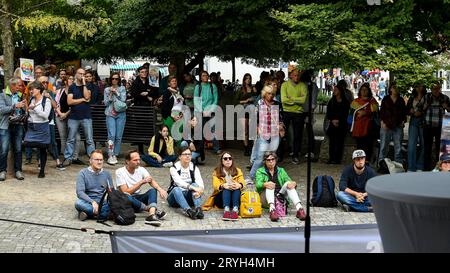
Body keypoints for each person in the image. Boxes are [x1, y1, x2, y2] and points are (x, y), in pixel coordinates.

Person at [115, 150, 168, 226]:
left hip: (138, 200)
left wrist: (160, 189)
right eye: (135, 160)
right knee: (126, 196)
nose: (138, 162)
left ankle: (151, 215)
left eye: (139, 159)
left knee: (153, 190)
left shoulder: (141, 169)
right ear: (127, 161)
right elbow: (125, 191)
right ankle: (150, 209)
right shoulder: (119, 172)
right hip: (126, 202)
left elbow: (151, 180)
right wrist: (141, 182)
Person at [255, 151, 306, 222]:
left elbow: (288, 180)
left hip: (279, 195)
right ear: (265, 161)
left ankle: (300, 209)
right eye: (268, 160)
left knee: (289, 184)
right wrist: (265, 184)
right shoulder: (260, 171)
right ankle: (272, 210)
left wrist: (293, 183)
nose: (271, 161)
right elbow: (258, 185)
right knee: (270, 185)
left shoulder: (281, 170)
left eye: (273, 159)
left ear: (275, 160)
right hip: (266, 197)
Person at [62, 68, 95, 167]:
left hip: (86, 116)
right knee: (70, 139)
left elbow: (87, 97)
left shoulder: (88, 86)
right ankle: (68, 158)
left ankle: (93, 159)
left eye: (83, 74)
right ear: (76, 74)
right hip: (73, 117)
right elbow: (69, 102)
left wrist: (84, 84)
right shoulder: (72, 87)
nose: (82, 75)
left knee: (89, 139)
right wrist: (82, 99)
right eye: (80, 73)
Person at [250, 85, 283, 179]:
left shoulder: (277, 104)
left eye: (272, 93)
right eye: (269, 93)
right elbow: (255, 118)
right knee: (260, 157)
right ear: (264, 93)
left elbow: (281, 117)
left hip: (275, 134)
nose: (271, 95)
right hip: (263, 134)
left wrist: (281, 125)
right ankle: (252, 177)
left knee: (271, 157)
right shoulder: (259, 103)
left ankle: (269, 177)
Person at [202, 152, 245, 221]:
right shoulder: (216, 171)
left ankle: (235, 210)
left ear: (232, 160)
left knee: (236, 188)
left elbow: (242, 181)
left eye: (230, 158)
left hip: (235, 198)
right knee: (226, 188)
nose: (228, 160)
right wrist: (223, 185)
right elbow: (215, 185)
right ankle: (226, 210)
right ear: (222, 161)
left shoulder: (238, 170)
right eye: (225, 159)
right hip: (221, 200)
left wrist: (239, 185)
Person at [0, 77, 27, 181]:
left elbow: (23, 110)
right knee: (4, 149)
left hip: (18, 125)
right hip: (5, 126)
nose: (20, 88)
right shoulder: (2, 95)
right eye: (19, 85)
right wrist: (15, 106)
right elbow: (1, 110)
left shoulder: (20, 95)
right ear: (12, 86)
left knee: (18, 149)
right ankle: (2, 171)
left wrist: (24, 107)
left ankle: (18, 171)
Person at [167, 146, 205, 220]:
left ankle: (198, 209)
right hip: (174, 198)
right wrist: (193, 188)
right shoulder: (173, 168)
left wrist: (200, 190)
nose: (187, 156)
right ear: (180, 157)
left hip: (189, 196)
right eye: (185, 154)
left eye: (189, 154)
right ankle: (188, 211)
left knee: (195, 185)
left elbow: (200, 182)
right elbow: (179, 182)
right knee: (176, 189)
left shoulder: (194, 167)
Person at [75, 150, 112, 221]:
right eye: (97, 160)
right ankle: (104, 215)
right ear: (90, 161)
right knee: (78, 203)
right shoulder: (83, 173)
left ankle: (88, 214)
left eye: (101, 160)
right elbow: (80, 192)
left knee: (113, 205)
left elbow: (111, 191)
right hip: (87, 201)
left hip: (102, 201)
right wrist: (92, 202)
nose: (99, 162)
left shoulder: (106, 174)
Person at [25, 81, 53, 178]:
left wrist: (35, 109)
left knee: (42, 149)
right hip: (31, 126)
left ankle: (42, 171)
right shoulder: (31, 99)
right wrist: (28, 109)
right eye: (30, 89)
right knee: (27, 143)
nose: (31, 91)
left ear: (39, 89)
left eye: (33, 89)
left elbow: (46, 116)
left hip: (42, 127)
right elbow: (29, 112)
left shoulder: (46, 101)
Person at [280, 69, 307, 164]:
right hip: (286, 112)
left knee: (297, 135)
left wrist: (291, 99)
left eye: (298, 75)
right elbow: (283, 100)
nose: (297, 77)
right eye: (295, 75)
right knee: (282, 133)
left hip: (299, 113)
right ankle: (280, 155)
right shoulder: (284, 85)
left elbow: (303, 100)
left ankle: (295, 155)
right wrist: (296, 100)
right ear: (290, 75)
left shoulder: (303, 85)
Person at [422, 81, 450, 171]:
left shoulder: (445, 98)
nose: (436, 90)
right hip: (428, 126)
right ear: (431, 89)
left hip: (440, 127)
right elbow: (418, 110)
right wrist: (425, 106)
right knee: (427, 148)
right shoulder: (426, 97)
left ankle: (439, 169)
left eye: (438, 88)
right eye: (434, 89)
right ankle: (426, 169)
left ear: (440, 88)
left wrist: (447, 107)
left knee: (440, 149)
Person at [349, 83, 379, 162]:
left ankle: (367, 161)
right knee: (359, 144)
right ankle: (359, 160)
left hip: (369, 127)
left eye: (366, 90)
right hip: (358, 127)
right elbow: (351, 114)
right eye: (362, 90)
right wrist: (358, 114)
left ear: (369, 91)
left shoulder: (372, 101)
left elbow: (375, 111)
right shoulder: (355, 102)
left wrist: (365, 113)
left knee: (368, 144)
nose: (364, 91)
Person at [194, 70, 221, 155]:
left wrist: (209, 110)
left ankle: (216, 148)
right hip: (200, 112)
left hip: (211, 111)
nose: (205, 77)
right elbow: (196, 100)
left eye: (206, 75)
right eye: (203, 75)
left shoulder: (213, 86)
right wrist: (202, 111)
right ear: (201, 77)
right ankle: (200, 149)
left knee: (213, 130)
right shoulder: (198, 87)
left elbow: (215, 99)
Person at [378, 85, 407, 165]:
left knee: (398, 147)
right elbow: (382, 111)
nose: (396, 89)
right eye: (394, 87)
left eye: (397, 87)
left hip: (397, 125)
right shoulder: (386, 99)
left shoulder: (401, 100)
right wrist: (382, 122)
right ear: (390, 89)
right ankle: (381, 163)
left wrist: (403, 121)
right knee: (384, 145)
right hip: (386, 125)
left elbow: (404, 112)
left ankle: (398, 164)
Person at [104, 72, 127, 165]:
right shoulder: (106, 89)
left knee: (118, 136)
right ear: (110, 79)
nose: (114, 80)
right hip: (110, 113)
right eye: (113, 78)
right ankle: (110, 154)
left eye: (116, 79)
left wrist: (116, 93)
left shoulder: (122, 88)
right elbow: (105, 103)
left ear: (119, 80)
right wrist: (110, 94)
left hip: (121, 114)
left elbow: (123, 100)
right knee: (111, 135)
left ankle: (115, 154)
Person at [326, 84, 350, 164]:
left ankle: (337, 159)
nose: (334, 91)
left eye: (336, 90)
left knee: (340, 142)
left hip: (341, 125)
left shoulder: (345, 102)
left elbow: (345, 113)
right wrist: (333, 120)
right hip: (332, 124)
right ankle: (331, 157)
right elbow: (328, 112)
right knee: (332, 142)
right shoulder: (331, 101)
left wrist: (339, 120)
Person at [234, 73, 258, 156]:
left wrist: (254, 96)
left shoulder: (253, 88)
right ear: (244, 79)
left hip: (251, 110)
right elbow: (236, 101)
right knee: (245, 130)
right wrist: (246, 101)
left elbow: (257, 99)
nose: (248, 80)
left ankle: (252, 147)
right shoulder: (240, 89)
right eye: (246, 78)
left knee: (252, 130)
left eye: (249, 78)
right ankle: (246, 148)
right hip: (242, 110)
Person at [406, 83, 426, 172]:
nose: (419, 87)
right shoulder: (411, 97)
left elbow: (428, 109)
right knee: (411, 145)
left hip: (423, 122)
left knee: (423, 144)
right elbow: (407, 110)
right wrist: (410, 111)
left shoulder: (426, 97)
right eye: (417, 86)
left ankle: (420, 166)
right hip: (413, 120)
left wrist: (421, 113)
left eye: (420, 86)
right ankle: (411, 167)